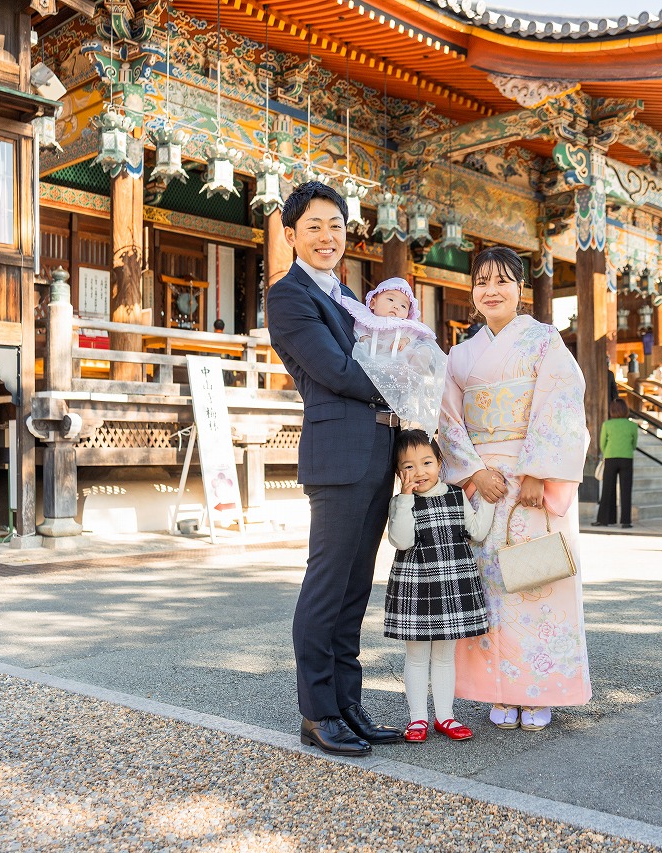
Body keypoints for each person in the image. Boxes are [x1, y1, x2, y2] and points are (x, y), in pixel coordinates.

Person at [265, 182, 404, 757]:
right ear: (292, 235)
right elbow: (341, 371)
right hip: (339, 456)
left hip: (375, 450)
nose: (328, 237)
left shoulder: (347, 296)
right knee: (326, 587)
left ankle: (349, 704)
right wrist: (409, 387)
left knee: (353, 589)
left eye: (337, 226)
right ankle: (318, 711)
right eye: (315, 226)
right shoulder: (289, 296)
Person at [437, 246, 591, 733]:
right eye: (482, 281)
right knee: (488, 588)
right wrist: (471, 472)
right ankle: (496, 688)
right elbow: (448, 420)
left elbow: (563, 403)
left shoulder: (545, 342)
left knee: (536, 583)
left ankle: (539, 688)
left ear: (521, 289)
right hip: (484, 484)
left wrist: (539, 472)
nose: (491, 290)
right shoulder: (459, 355)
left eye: (503, 281)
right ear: (473, 292)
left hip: (529, 481)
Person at [385, 430, 496, 743]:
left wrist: (487, 501)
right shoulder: (400, 503)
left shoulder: (456, 494)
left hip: (452, 584)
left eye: (426, 462)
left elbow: (476, 531)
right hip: (416, 586)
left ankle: (445, 716)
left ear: (439, 463)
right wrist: (405, 499)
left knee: (446, 657)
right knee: (417, 656)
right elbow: (402, 540)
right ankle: (417, 718)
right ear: (398, 472)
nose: (419, 471)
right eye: (408, 466)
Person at [340, 277, 446, 435]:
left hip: (400, 362)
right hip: (376, 362)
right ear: (373, 303)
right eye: (390, 299)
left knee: (424, 352)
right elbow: (359, 332)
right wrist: (365, 339)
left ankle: (407, 399)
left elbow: (415, 335)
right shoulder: (366, 321)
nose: (396, 306)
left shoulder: (404, 326)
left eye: (403, 305)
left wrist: (406, 339)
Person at [595, 398, 637, 528]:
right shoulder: (632, 425)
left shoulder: (607, 425)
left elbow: (602, 444)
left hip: (611, 458)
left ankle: (605, 520)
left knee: (607, 489)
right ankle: (626, 521)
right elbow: (634, 444)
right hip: (627, 458)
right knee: (626, 490)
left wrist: (608, 452)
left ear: (612, 410)